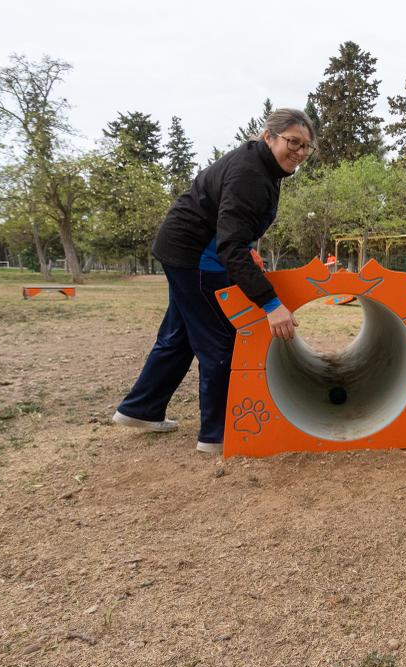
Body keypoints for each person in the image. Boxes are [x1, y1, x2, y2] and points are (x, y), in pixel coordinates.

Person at [113, 108, 316, 454]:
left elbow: (231, 225)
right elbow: (230, 246)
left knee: (179, 336)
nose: (299, 152)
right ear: (269, 136)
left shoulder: (262, 167)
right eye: (293, 142)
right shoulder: (250, 173)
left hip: (186, 250)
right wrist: (270, 304)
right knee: (220, 341)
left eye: (306, 147)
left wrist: (247, 248)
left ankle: (141, 408)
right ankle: (217, 434)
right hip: (194, 258)